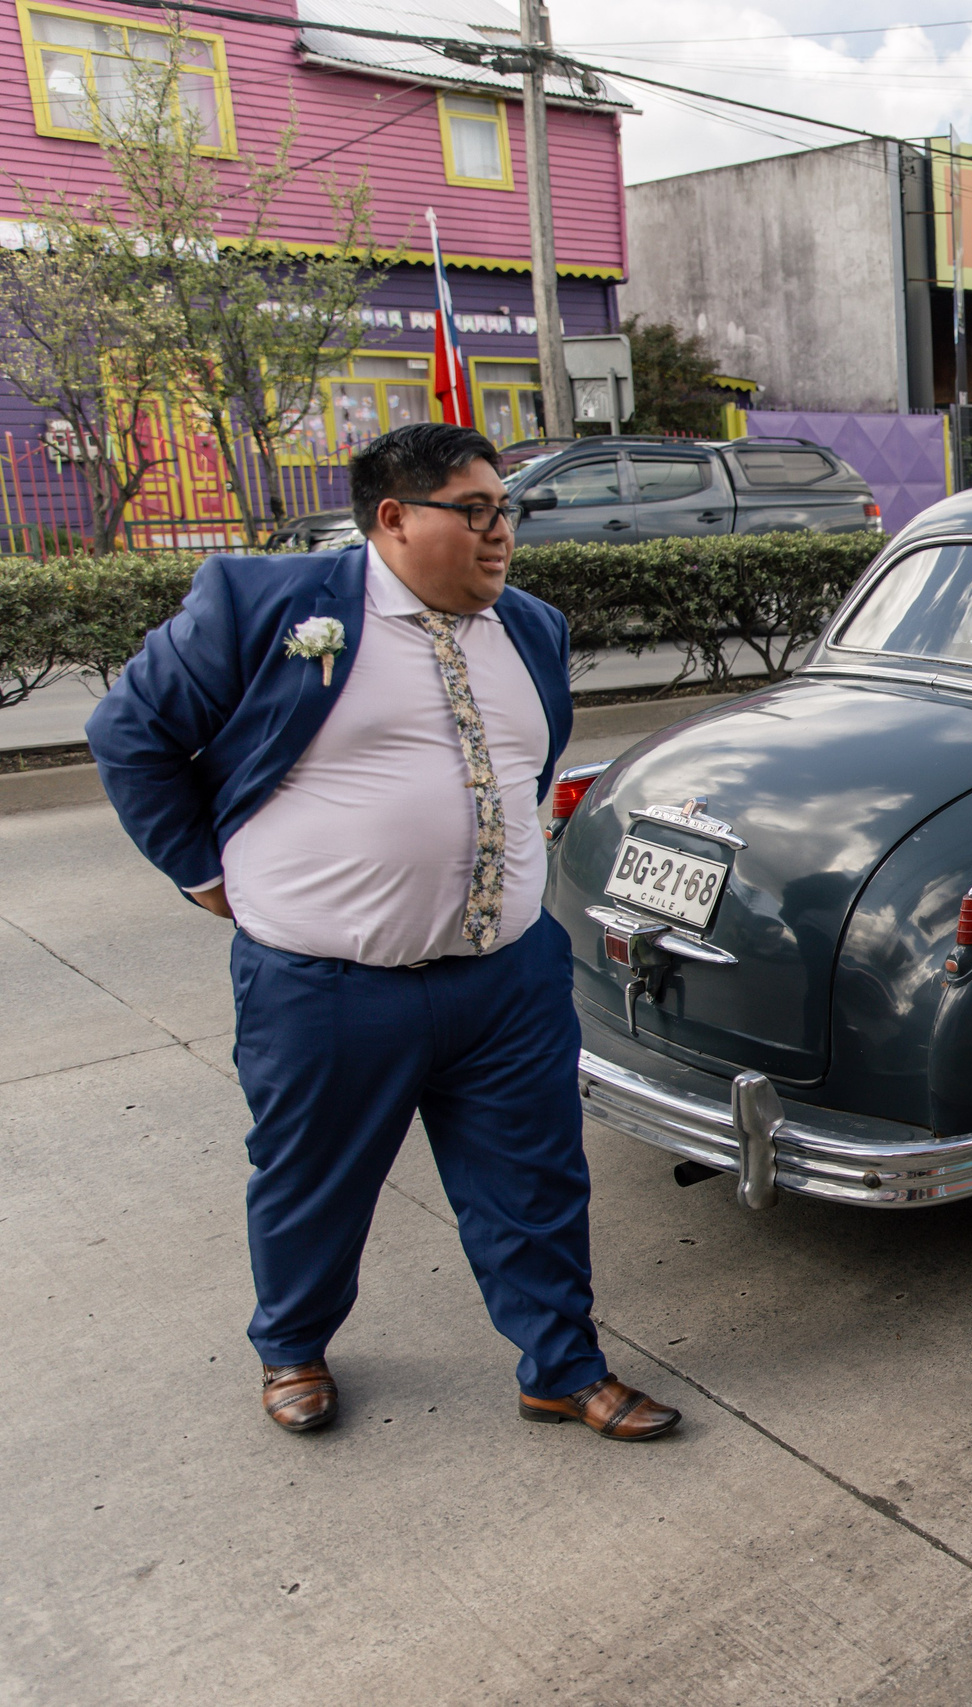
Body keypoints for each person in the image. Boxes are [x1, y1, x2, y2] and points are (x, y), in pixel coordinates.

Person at [87, 422, 679, 1442]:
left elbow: (518, 776)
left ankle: (561, 1367)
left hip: (505, 980)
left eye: (510, 511)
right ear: (394, 520)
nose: (502, 535)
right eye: (477, 511)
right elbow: (129, 735)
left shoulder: (532, 628)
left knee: (536, 1183)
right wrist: (200, 873)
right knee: (313, 1181)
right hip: (327, 986)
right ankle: (293, 1347)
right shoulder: (266, 605)